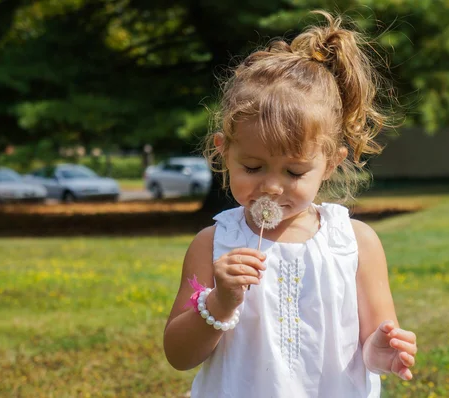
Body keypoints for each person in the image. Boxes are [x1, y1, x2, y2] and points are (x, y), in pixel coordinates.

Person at [164, 11, 417, 398]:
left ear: (330, 164)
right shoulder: (214, 244)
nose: (272, 186)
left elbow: (371, 342)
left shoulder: (354, 242)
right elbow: (179, 355)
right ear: (224, 152)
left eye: (295, 172)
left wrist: (382, 353)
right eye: (252, 166)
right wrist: (218, 302)